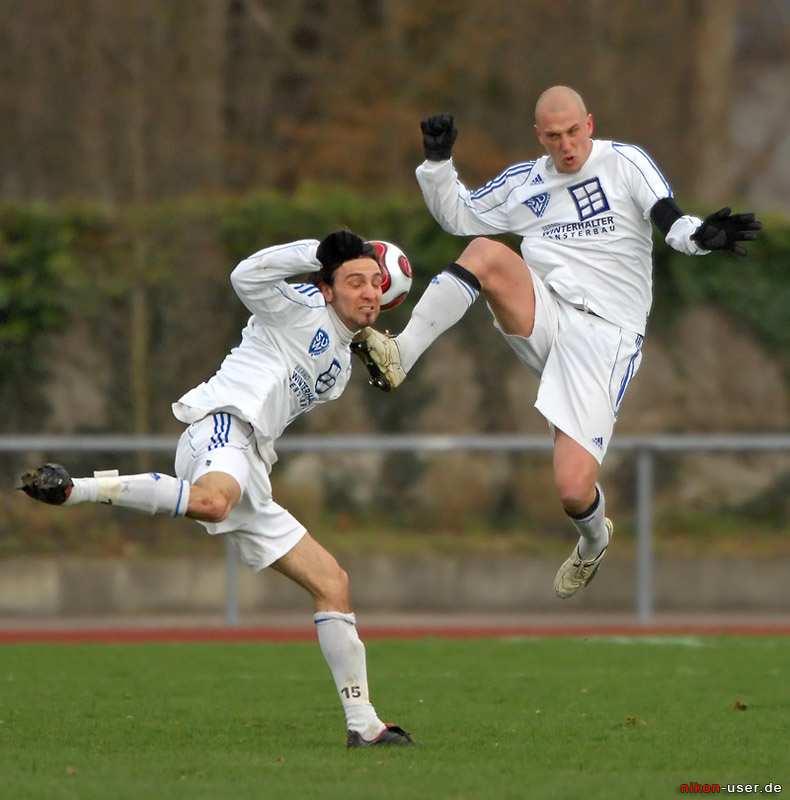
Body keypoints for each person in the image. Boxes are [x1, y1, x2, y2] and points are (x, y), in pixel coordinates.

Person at [353, 85, 761, 599]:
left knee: (571, 489)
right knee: (483, 252)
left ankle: (593, 540)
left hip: (605, 336)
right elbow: (457, 215)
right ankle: (400, 355)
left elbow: (670, 219)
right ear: (538, 137)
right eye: (553, 136)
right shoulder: (524, 182)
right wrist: (437, 164)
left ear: (589, 123)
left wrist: (700, 237)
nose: (566, 145)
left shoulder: (625, 163)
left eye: (573, 132)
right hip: (546, 310)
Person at [19, 230, 413, 749]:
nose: (367, 291)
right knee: (211, 501)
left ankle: (364, 726)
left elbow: (323, 351)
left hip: (252, 462)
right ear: (326, 287)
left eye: (375, 284)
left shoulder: (341, 366)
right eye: (354, 280)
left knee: (332, 583)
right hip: (222, 425)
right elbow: (245, 275)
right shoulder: (296, 305)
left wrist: (358, 342)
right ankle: (76, 490)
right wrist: (317, 252)